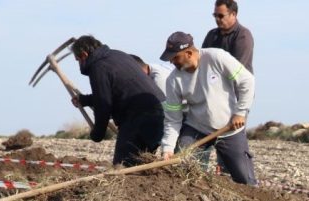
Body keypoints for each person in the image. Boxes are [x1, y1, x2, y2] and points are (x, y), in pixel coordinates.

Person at [159, 32, 256, 186]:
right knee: (182, 171)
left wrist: (240, 112)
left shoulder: (217, 57)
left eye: (175, 57)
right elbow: (173, 119)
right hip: (197, 128)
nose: (171, 62)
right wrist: (168, 148)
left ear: (189, 53)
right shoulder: (173, 81)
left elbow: (247, 81)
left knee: (246, 181)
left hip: (229, 128)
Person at [70, 36, 165, 166]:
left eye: (78, 60)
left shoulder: (98, 67)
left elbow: (103, 104)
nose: (79, 64)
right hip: (158, 113)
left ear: (84, 55)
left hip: (139, 118)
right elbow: (115, 92)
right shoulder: (119, 55)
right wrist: (84, 100)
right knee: (141, 165)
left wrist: (97, 133)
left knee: (123, 167)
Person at [202, 0, 254, 74]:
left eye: (220, 16)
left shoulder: (243, 35)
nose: (217, 19)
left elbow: (237, 69)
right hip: (214, 83)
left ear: (233, 14)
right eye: (215, 15)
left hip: (237, 83)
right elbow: (202, 61)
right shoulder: (211, 34)